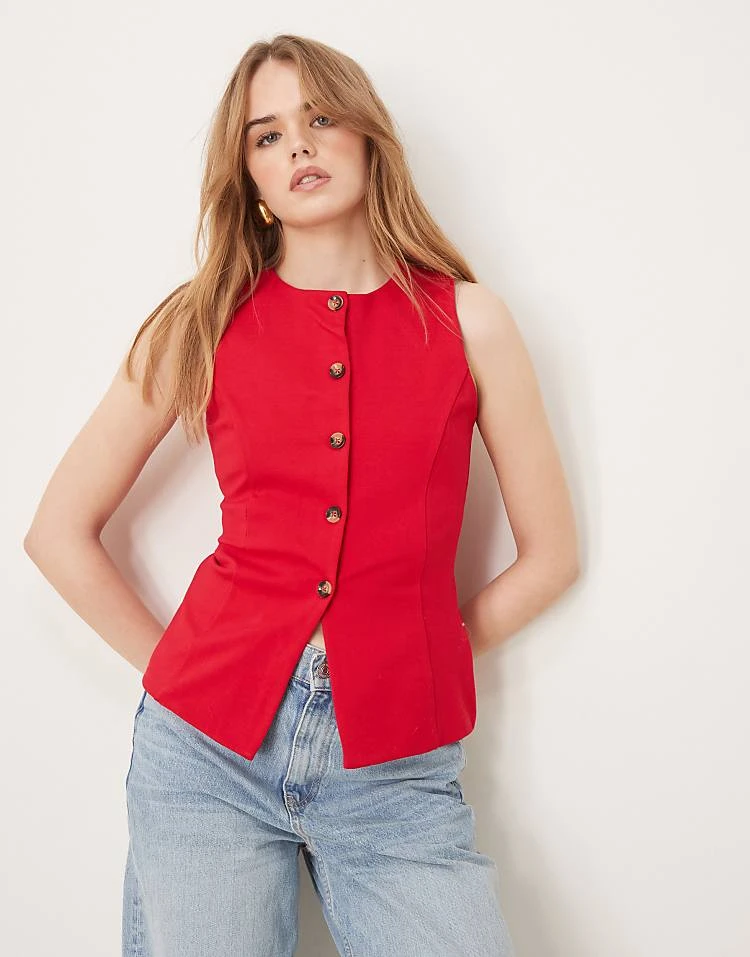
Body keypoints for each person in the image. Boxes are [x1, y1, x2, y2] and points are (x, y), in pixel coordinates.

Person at [24, 33, 579, 957]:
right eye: (268, 135)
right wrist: (188, 676)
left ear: (368, 137)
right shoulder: (201, 322)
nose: (300, 147)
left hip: (395, 775)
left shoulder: (468, 320)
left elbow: (552, 556)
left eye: (320, 118)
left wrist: (417, 651)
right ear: (249, 177)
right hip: (204, 759)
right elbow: (57, 532)